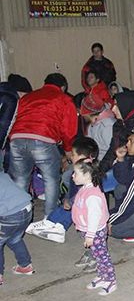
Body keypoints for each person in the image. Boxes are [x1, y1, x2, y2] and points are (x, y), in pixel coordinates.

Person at [9, 73, 77, 216]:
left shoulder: (27, 97)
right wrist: (68, 150)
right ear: (63, 87)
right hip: (42, 139)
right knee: (51, 179)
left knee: (21, 179)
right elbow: (68, 129)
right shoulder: (64, 99)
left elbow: (15, 117)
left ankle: (19, 217)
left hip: (17, 139)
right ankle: (49, 218)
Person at [26, 138, 99, 245]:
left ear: (82, 158)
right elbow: (72, 189)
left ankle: (60, 228)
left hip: (83, 206)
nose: (71, 157)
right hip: (74, 200)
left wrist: (70, 201)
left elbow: (82, 195)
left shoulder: (87, 177)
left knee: (70, 210)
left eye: (73, 155)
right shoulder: (76, 171)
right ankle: (50, 223)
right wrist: (67, 198)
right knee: (63, 207)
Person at [71, 157, 117, 296]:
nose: (73, 176)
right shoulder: (85, 189)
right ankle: (102, 276)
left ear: (86, 176)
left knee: (102, 255)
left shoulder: (92, 195)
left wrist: (90, 235)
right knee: (97, 255)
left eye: (76, 173)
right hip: (89, 231)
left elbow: (94, 217)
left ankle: (110, 280)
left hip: (95, 232)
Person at [0, 167, 34, 285]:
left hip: (10, 216)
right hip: (27, 209)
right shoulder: (3, 175)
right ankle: (25, 265)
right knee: (14, 238)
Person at [80, 92, 117, 161]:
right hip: (95, 160)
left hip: (106, 164)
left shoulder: (108, 126)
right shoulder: (92, 124)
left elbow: (114, 151)